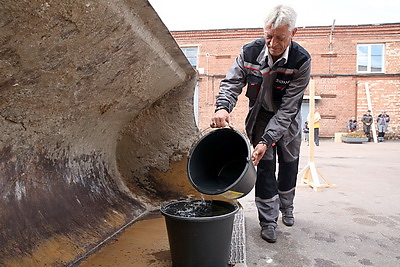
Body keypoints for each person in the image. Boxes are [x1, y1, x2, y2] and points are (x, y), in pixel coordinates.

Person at [210, 5, 311, 243]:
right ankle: (268, 220)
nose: (272, 44)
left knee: (289, 165)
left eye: (280, 38)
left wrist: (269, 139)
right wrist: (223, 107)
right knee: (264, 169)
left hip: (288, 120)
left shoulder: (302, 60)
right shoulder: (249, 52)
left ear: (293, 33)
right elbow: (231, 83)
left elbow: (288, 108)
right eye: (268, 36)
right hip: (260, 117)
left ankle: (287, 207)